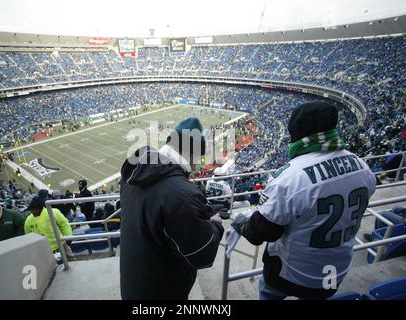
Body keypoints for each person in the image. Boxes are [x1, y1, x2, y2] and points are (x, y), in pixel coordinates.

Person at [232, 101, 377, 300]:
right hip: (336, 273)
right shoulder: (362, 166)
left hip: (293, 275)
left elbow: (262, 233)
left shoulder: (290, 177)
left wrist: (242, 223)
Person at [120, 117, 224, 300]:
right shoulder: (181, 194)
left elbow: (157, 219)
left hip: (135, 282)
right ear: (191, 153)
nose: (197, 163)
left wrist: (196, 213)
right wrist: (215, 224)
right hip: (162, 292)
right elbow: (203, 256)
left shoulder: (135, 173)